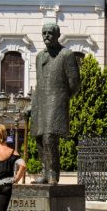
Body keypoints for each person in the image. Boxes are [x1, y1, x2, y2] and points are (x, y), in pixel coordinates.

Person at [30, 23, 80, 185]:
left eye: (50, 33)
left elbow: (75, 83)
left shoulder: (66, 54)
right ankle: (45, 172)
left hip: (56, 100)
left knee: (49, 136)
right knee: (39, 138)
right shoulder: (40, 56)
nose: (46, 36)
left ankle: (53, 174)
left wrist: (62, 98)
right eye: (44, 33)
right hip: (40, 101)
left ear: (58, 35)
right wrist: (33, 103)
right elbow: (39, 82)